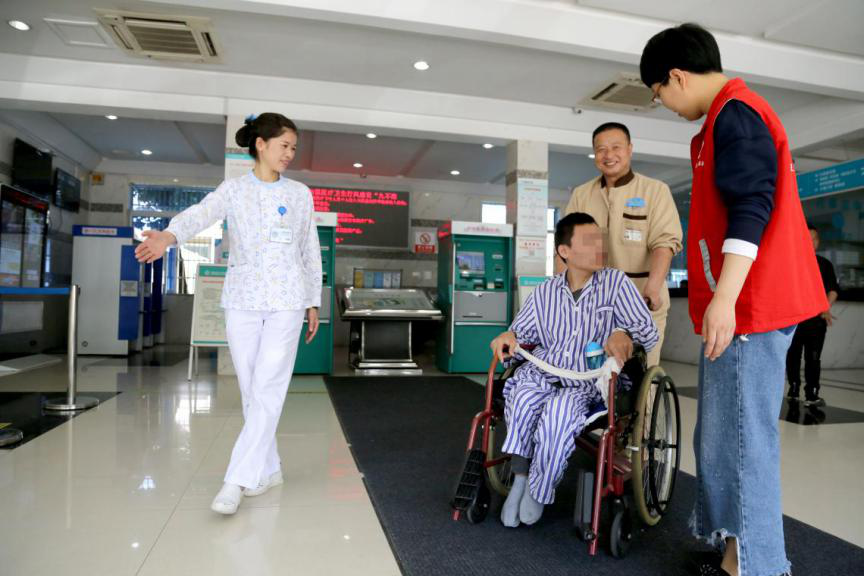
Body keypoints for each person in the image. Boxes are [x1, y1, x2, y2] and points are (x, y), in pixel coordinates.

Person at [640, 23, 827, 576]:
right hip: (742, 308)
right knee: (722, 437)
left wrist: (725, 300)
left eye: (659, 92)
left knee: (745, 443)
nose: (664, 103)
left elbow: (752, 206)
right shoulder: (725, 118)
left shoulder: (737, 115)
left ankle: (756, 566)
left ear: (677, 76)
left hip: (752, 308)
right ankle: (734, 554)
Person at [135, 113, 322, 515]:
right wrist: (169, 235)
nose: (290, 154)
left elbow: (309, 249)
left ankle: (236, 480)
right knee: (253, 389)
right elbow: (200, 213)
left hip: (288, 300)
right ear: (260, 144)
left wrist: (312, 300)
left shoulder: (299, 194)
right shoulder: (234, 189)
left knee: (269, 387)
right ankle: (269, 469)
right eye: (284, 145)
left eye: (294, 148)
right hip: (242, 299)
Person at [490, 212, 657, 528]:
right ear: (564, 251)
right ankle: (520, 480)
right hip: (542, 373)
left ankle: (539, 489)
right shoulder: (546, 291)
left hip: (586, 382)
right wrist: (508, 336)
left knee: (558, 416)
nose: (599, 247)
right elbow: (520, 332)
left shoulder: (616, 283)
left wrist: (624, 333)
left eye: (599, 240)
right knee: (521, 400)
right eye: (589, 241)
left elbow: (648, 331)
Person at [562, 122, 682, 367]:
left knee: (639, 373)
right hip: (593, 304)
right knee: (590, 372)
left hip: (642, 300)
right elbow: (567, 248)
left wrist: (653, 286)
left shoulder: (655, 191)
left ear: (629, 149)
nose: (609, 155)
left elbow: (664, 244)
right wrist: (561, 292)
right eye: (601, 149)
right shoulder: (582, 194)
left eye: (616, 147)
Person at [786, 224, 839, 407]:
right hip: (792, 320)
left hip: (816, 321)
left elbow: (833, 290)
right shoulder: (790, 263)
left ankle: (812, 394)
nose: (810, 242)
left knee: (813, 358)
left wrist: (825, 307)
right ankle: (793, 388)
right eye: (806, 239)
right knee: (792, 355)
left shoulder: (825, 264)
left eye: (814, 239)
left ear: (818, 241)